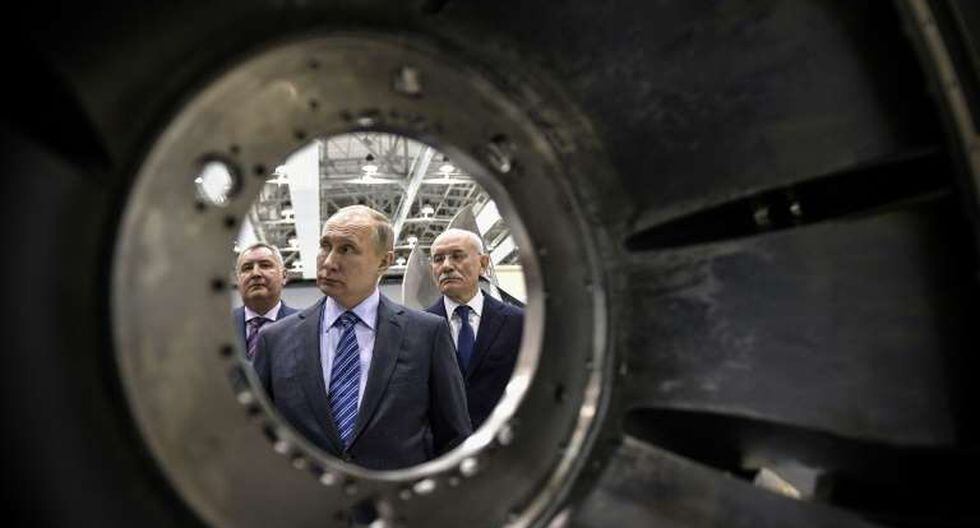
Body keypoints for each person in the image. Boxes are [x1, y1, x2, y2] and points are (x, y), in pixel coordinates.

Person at [253, 206, 471, 470]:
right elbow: (256, 437)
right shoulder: (274, 340)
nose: (329, 261)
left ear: (384, 262)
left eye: (347, 249)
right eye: (325, 246)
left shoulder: (427, 334)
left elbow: (454, 439)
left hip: (397, 495)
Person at [427, 228, 524, 429]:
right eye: (438, 259)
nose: (446, 266)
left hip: (504, 438)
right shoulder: (417, 328)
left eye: (457, 256)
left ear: (483, 264)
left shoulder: (519, 323)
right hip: (441, 443)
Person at [232, 242, 297, 360]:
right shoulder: (220, 326)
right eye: (247, 268)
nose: (255, 273)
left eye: (265, 265)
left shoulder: (304, 326)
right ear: (237, 280)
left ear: (284, 276)